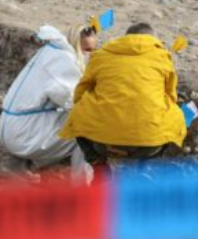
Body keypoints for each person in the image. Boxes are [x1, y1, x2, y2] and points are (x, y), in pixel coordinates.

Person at [59, 23, 186, 164]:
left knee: (77, 113)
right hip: (149, 145)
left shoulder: (100, 56)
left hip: (101, 142)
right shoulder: (163, 57)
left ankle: (95, 161)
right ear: (153, 39)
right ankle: (148, 164)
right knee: (176, 115)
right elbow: (171, 95)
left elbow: (80, 92)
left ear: (126, 38)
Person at [0, 24, 97, 180]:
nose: (90, 55)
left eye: (93, 50)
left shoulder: (50, 51)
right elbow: (75, 102)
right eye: (86, 50)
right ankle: (83, 188)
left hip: (13, 127)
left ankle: (30, 166)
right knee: (87, 129)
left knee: (71, 119)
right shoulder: (63, 61)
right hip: (23, 135)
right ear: (75, 44)